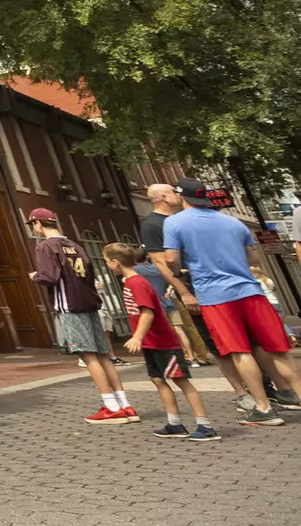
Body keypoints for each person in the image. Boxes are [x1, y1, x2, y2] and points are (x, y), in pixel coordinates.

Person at [157, 180, 300, 426]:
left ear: (181, 197)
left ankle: (264, 408)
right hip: (251, 292)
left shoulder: (174, 222)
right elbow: (254, 257)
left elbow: (170, 258)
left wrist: (180, 272)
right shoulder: (234, 222)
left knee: (239, 351)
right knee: (278, 350)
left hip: (216, 296)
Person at [27, 209, 137, 425]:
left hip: (69, 304)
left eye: (33, 225)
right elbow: (89, 273)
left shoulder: (46, 246)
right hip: (89, 301)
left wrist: (35, 277)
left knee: (88, 355)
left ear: (38, 224)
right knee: (104, 354)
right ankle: (125, 404)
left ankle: (111, 406)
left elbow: (49, 276)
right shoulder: (76, 245)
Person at [105, 242, 219, 442]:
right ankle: (174, 423)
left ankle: (205, 425)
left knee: (181, 380)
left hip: (162, 342)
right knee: (158, 379)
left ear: (116, 262)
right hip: (151, 343)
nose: (106, 264)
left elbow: (147, 311)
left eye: (107, 261)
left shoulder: (136, 283)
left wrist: (137, 336)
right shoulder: (131, 282)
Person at [141, 184, 246, 397]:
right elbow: (162, 263)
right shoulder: (153, 225)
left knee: (240, 336)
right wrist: (184, 291)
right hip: (194, 289)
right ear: (164, 196)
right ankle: (242, 392)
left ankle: (263, 387)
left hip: (216, 285)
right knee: (214, 339)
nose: (179, 196)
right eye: (173, 192)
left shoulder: (184, 219)